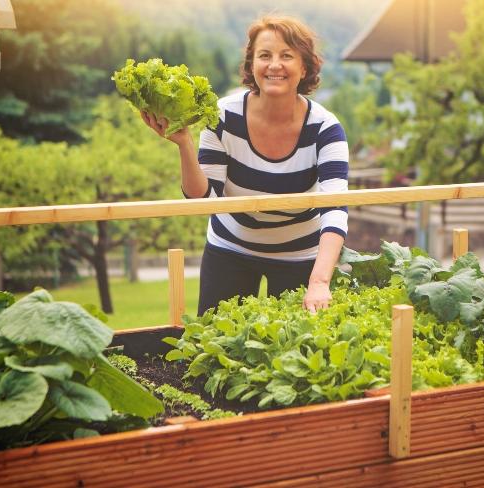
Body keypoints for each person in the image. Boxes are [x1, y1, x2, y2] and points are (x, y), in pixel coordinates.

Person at [141, 15, 348, 315]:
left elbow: (335, 209)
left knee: (295, 352)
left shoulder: (326, 129)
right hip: (230, 248)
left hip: (299, 254)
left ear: (304, 67)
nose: (274, 64)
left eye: (286, 56)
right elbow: (205, 199)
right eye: (265, 55)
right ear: (252, 65)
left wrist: (319, 281)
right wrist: (184, 143)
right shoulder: (222, 115)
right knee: (214, 349)